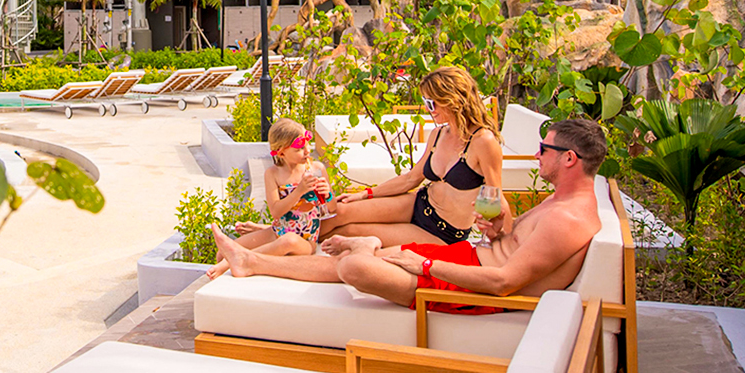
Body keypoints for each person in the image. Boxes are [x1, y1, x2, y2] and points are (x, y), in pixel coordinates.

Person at [211, 117, 607, 312]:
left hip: (470, 289)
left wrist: (427, 263)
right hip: (467, 260)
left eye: (544, 150)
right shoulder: (559, 202)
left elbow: (504, 282)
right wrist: (500, 229)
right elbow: (512, 244)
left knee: (354, 269)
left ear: (569, 159)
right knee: (355, 254)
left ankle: (359, 249)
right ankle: (251, 261)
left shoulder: (568, 219)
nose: (537, 155)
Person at [324, 65, 504, 247]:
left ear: (453, 100)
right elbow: (411, 179)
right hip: (419, 204)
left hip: (442, 232)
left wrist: (508, 243)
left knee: (349, 232)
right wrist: (365, 194)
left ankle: (299, 256)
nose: (429, 109)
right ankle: (298, 241)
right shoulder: (439, 134)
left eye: (432, 103)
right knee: (340, 212)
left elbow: (496, 195)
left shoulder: (483, 141)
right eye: (426, 103)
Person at [206, 118, 331, 280]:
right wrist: (299, 191)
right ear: (281, 152)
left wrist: (328, 194)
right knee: (221, 254)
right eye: (300, 148)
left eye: (308, 144)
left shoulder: (316, 169)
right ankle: (230, 260)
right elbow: (276, 212)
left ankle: (236, 261)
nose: (307, 151)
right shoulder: (273, 174)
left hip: (305, 242)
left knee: (288, 241)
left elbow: (332, 207)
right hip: (278, 231)